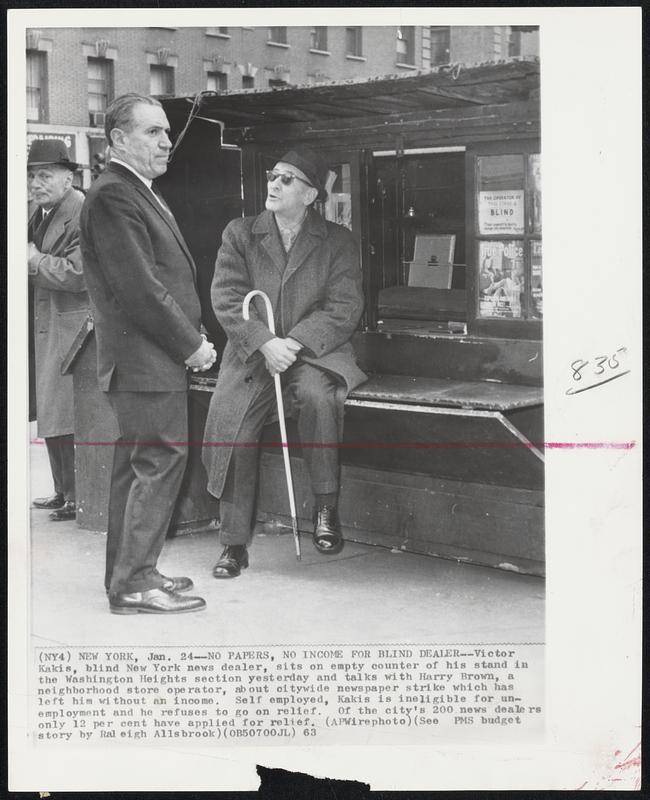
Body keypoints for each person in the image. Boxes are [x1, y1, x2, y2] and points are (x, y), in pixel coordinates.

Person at [80, 93, 216, 615]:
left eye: (166, 132)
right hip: (147, 360)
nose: (166, 142)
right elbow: (140, 289)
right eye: (153, 132)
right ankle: (134, 584)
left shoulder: (132, 190)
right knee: (159, 461)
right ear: (117, 139)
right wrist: (193, 347)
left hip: (140, 361)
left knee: (137, 468)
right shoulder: (116, 195)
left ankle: (129, 571)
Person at [202, 147, 366, 578]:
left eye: (287, 179)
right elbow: (228, 298)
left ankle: (326, 509)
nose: (274, 184)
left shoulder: (338, 241)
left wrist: (292, 343)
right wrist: (264, 342)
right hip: (255, 354)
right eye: (273, 175)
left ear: (311, 195)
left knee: (319, 397)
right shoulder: (240, 234)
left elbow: (344, 307)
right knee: (234, 426)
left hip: (315, 352)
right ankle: (234, 542)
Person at [28, 139, 89, 522]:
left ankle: (76, 495)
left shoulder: (82, 212)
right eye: (32, 175)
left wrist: (33, 260)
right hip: (46, 323)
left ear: (68, 178)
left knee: (66, 415)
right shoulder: (38, 211)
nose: (36, 183)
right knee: (51, 411)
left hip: (70, 326)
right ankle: (62, 490)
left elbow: (80, 274)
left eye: (45, 175)